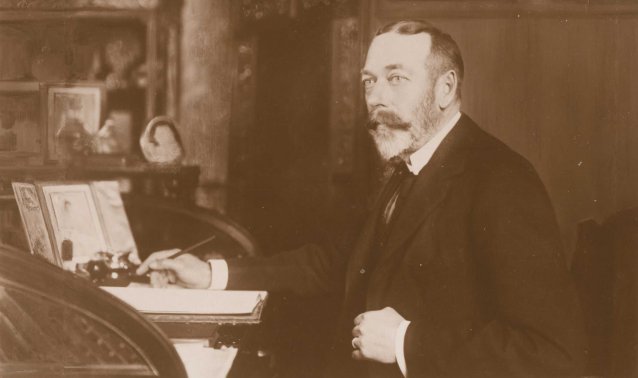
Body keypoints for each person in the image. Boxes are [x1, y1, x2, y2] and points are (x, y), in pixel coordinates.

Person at [138, 20, 585, 377]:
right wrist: (212, 274)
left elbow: (551, 353)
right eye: (370, 81)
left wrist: (405, 342)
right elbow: (336, 262)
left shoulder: (500, 179)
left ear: (446, 89)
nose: (377, 99)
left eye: (397, 79)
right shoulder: (408, 161)